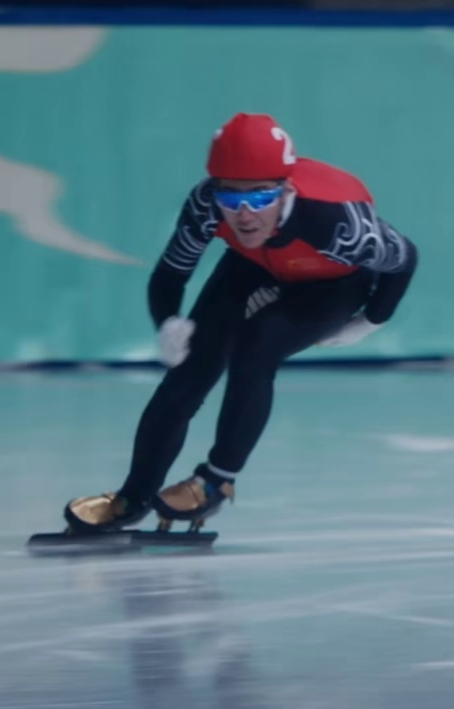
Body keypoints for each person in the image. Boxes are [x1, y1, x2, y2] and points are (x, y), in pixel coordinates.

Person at [64, 112, 419, 534]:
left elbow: (405, 258)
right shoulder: (204, 205)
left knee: (257, 348)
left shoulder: (336, 223)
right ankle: (133, 496)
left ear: (286, 191)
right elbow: (171, 273)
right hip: (253, 265)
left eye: (260, 197)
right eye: (230, 198)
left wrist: (371, 319)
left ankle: (216, 481)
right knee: (190, 367)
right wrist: (168, 322)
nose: (245, 215)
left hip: (334, 283)